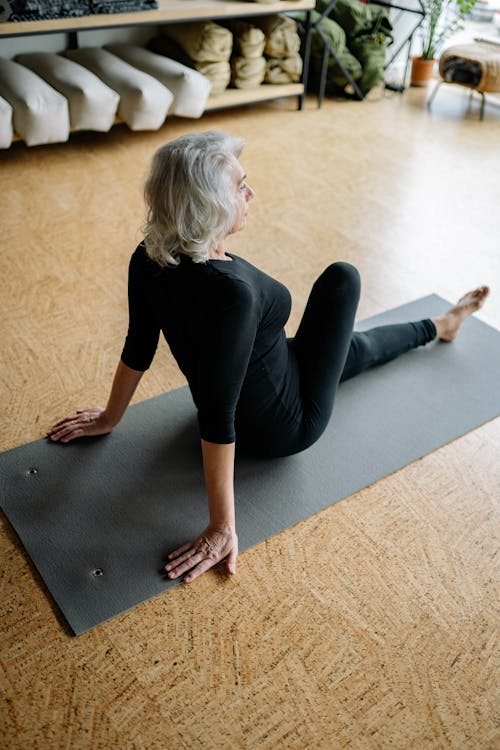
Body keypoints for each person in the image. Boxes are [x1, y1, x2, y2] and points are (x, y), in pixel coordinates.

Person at [48, 130, 490, 585]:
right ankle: (443, 324)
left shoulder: (149, 256)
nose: (251, 193)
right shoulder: (233, 295)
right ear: (208, 208)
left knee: (353, 350)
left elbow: (139, 344)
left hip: (268, 374)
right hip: (287, 424)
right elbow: (218, 416)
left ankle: (442, 324)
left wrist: (111, 416)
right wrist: (222, 527)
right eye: (241, 187)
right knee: (344, 279)